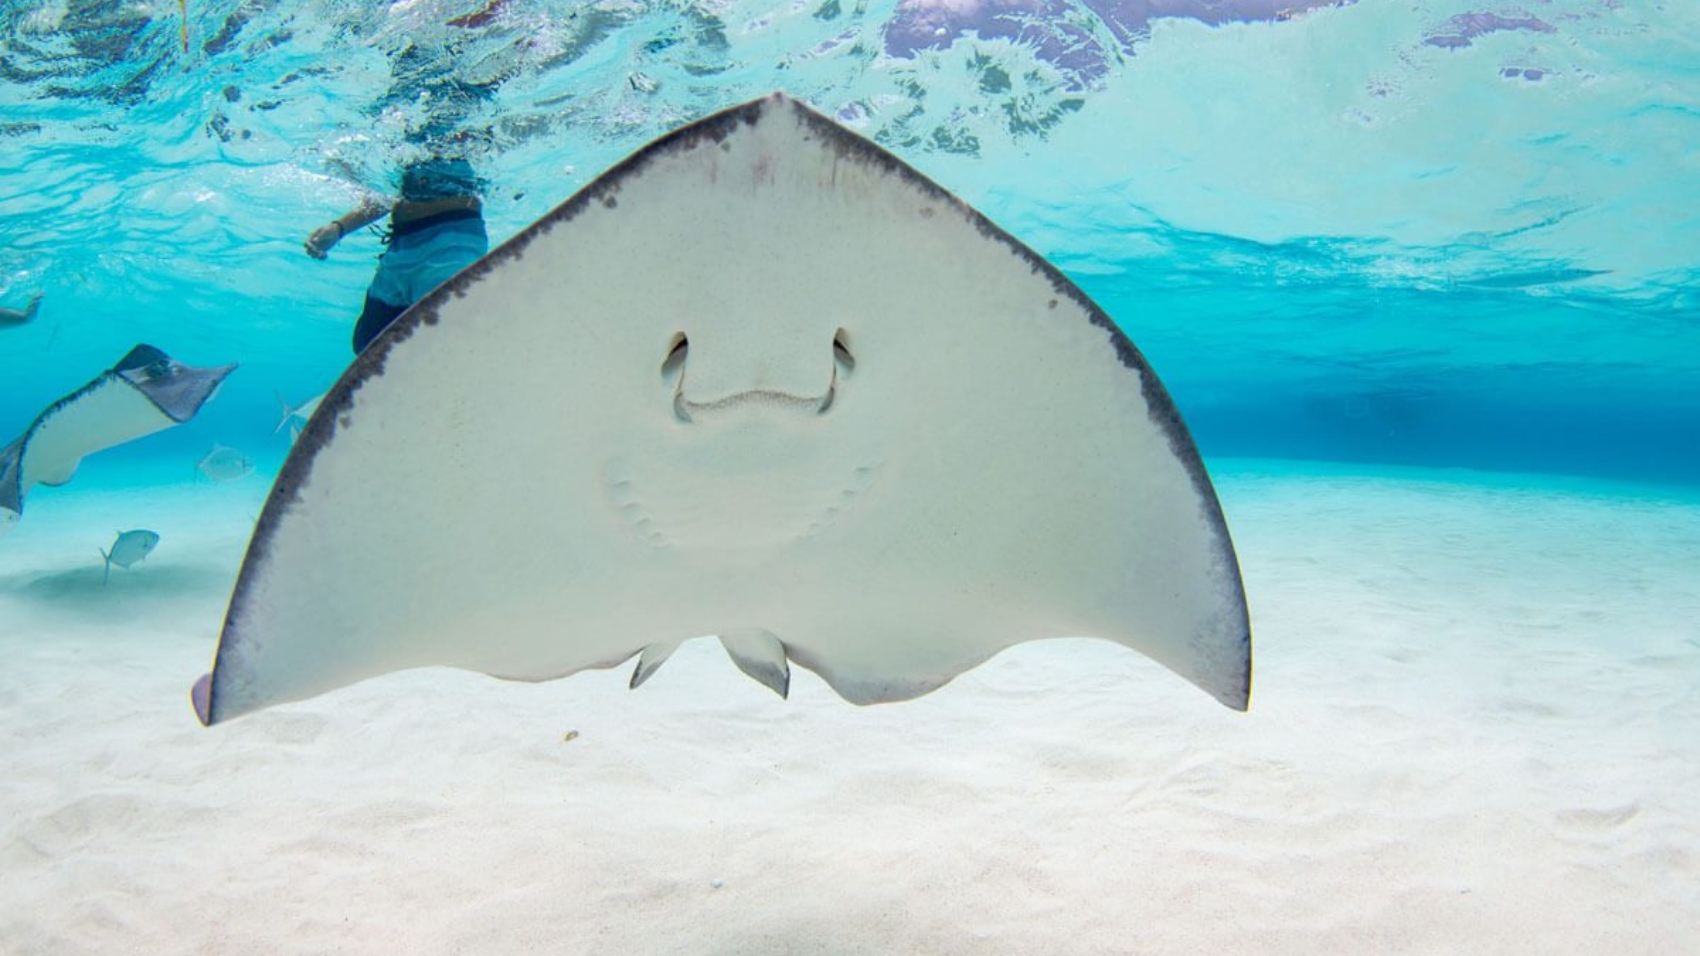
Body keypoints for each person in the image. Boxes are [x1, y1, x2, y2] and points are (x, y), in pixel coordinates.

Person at [304, 156, 489, 354]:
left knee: (449, 337)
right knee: (367, 344)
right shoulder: (400, 152)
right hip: (401, 247)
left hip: (450, 242)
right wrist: (339, 228)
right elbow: (384, 200)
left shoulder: (457, 147)